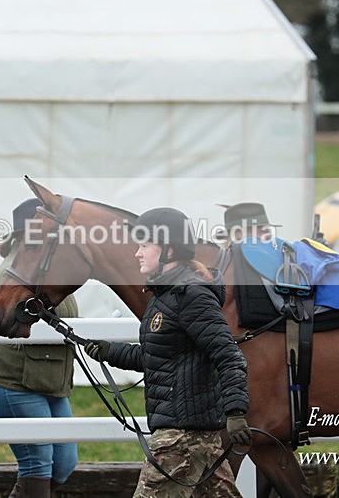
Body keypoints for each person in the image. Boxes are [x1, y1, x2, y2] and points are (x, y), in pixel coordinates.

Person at [85, 207, 252, 498]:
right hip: (199, 439)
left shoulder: (191, 296)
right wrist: (109, 352)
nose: (137, 253)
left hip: (180, 440)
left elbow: (229, 355)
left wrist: (236, 412)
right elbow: (158, 357)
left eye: (145, 246)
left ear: (169, 250)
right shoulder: (164, 296)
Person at [0, 198, 79, 498]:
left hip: (47, 382)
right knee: (38, 463)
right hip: (16, 382)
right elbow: (2, 315)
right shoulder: (15, 272)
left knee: (64, 461)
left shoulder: (45, 271)